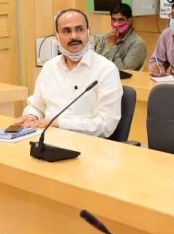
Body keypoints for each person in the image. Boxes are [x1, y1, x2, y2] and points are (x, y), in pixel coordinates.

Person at [15, 9, 122, 138]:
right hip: (47, 139)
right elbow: (37, 106)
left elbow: (106, 125)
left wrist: (59, 124)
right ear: (57, 36)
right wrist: (32, 115)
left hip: (86, 144)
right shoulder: (49, 67)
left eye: (79, 29)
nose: (74, 36)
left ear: (88, 32)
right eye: (66, 31)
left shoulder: (106, 69)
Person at [92, 3, 147, 71]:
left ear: (129, 21)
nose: (116, 24)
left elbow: (124, 71)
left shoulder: (137, 44)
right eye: (113, 19)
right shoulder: (106, 37)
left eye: (120, 20)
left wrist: (112, 46)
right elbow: (95, 61)